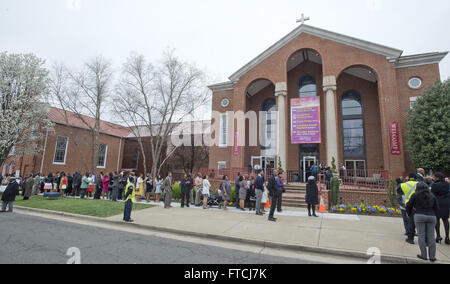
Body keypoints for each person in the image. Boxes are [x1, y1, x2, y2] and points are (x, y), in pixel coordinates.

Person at [406, 182, 439, 262]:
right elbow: (437, 207)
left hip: (419, 215)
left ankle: (423, 255)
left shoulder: (415, 195)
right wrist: (435, 216)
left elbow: (409, 205)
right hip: (431, 216)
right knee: (431, 236)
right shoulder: (432, 195)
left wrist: (409, 214)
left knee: (421, 235)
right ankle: (432, 257)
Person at [431, 172, 449, 245]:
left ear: (437, 178)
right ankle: (447, 237)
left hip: (438, 202)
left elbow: (432, 194)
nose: (433, 178)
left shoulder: (435, 185)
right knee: (445, 220)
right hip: (446, 203)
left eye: (434, 177)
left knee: (437, 219)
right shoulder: (447, 184)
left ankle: (438, 236)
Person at [403, 173, 419, 244]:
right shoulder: (420, 184)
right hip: (419, 205)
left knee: (411, 222)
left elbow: (398, 191)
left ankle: (410, 238)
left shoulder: (404, 184)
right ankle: (425, 240)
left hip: (409, 205)